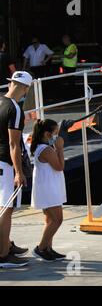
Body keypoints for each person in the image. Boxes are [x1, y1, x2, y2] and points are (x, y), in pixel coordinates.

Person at [0, 71, 32, 269]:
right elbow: (14, 145)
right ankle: (3, 255)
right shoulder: (16, 109)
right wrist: (19, 173)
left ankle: (6, 245)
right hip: (5, 164)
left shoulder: (0, 102)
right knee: (6, 209)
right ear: (25, 88)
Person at [30, 119, 67, 262]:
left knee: (50, 219)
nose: (56, 137)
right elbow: (59, 166)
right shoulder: (46, 150)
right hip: (48, 189)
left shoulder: (42, 147)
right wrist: (60, 149)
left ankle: (48, 249)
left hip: (48, 187)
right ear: (47, 134)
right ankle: (40, 248)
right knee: (57, 220)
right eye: (55, 133)